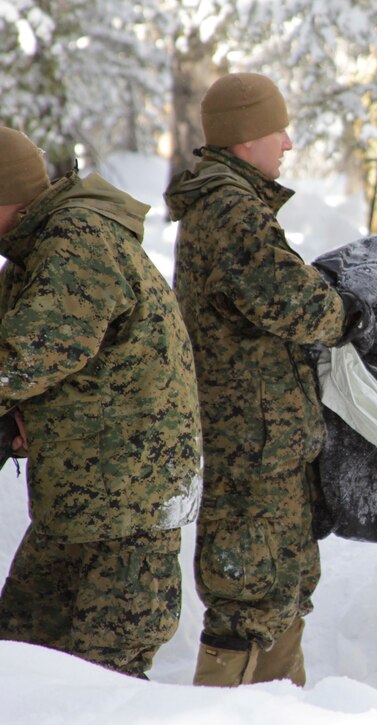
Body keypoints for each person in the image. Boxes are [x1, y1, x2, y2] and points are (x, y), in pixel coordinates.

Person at [165, 72, 372, 687]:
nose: (287, 142)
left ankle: (277, 702)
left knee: (279, 587)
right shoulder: (231, 210)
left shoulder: (228, 203)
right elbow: (290, 301)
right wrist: (349, 314)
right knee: (250, 594)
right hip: (251, 444)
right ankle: (231, 706)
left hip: (261, 440)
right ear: (244, 138)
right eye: (275, 130)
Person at [0, 127, 202, 678]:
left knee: (105, 679)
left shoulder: (77, 242)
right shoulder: (33, 250)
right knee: (23, 655)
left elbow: (29, 351)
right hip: (81, 498)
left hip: (128, 504)